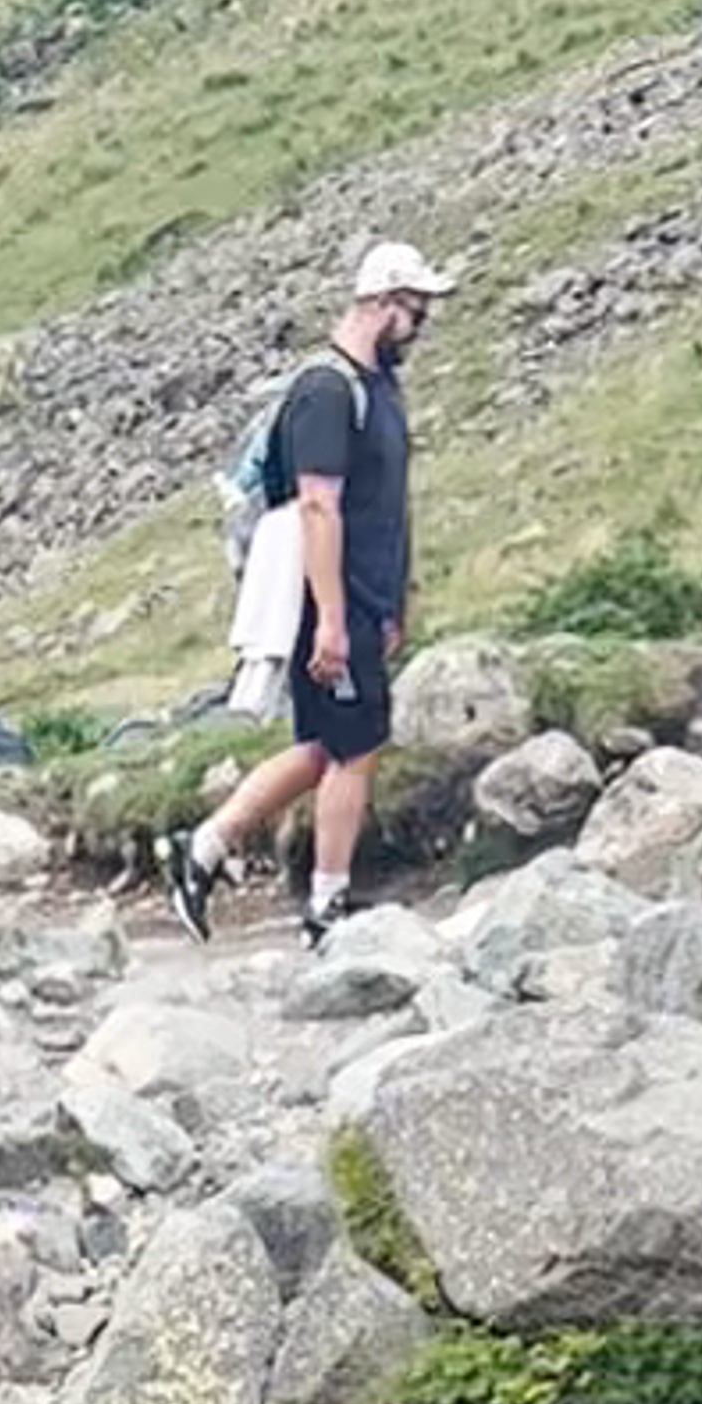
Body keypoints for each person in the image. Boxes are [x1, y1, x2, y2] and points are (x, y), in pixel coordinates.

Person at [160, 242, 449, 951]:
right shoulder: (325, 393)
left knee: (326, 745)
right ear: (381, 303)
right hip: (334, 597)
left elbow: (386, 501)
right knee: (358, 749)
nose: (421, 327)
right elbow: (319, 508)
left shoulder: (377, 386)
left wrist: (396, 600)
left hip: (365, 596)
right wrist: (330, 623)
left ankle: (199, 849)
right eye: (416, 312)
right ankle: (327, 905)